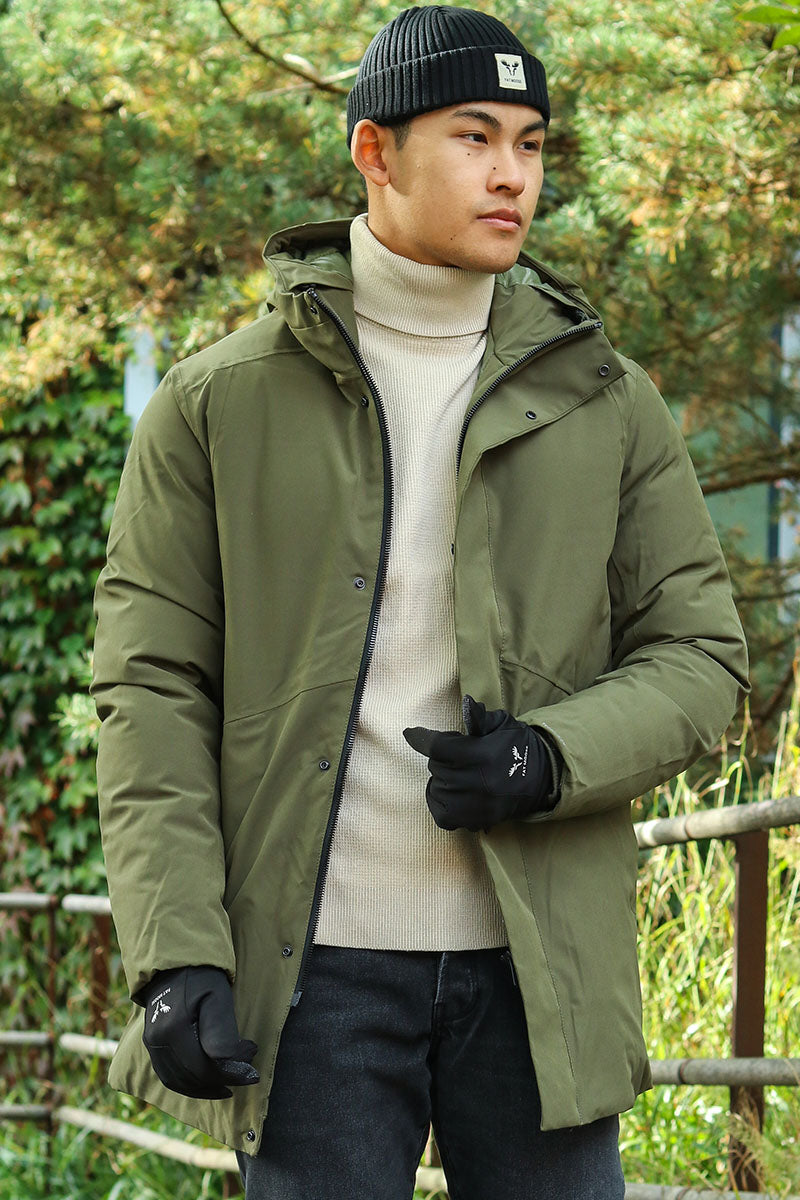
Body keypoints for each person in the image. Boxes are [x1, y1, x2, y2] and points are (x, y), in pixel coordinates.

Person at [91, 6, 749, 1198]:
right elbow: (151, 687)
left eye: (530, 144)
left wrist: (547, 757)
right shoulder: (214, 404)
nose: (511, 175)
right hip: (312, 981)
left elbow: (700, 653)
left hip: (539, 976)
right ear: (374, 153)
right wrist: (177, 951)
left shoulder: (607, 399)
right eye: (473, 136)